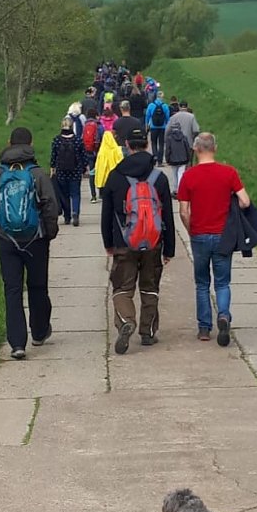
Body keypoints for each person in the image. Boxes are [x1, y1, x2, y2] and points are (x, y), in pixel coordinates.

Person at [0, 127, 60, 360]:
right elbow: (50, 205)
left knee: (12, 290)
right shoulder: (37, 174)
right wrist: (49, 232)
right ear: (30, 144)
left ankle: (17, 344)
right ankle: (39, 332)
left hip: (7, 240)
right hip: (36, 240)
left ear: (9, 143)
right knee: (38, 286)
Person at [101, 128, 175, 353]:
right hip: (153, 242)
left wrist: (108, 243)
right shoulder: (159, 178)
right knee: (150, 287)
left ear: (127, 145)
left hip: (123, 242)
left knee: (122, 287)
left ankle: (126, 321)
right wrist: (169, 249)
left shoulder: (115, 176)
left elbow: (106, 214)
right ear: (147, 145)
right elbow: (167, 216)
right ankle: (147, 332)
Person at [177, 132, 250, 347]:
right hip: (223, 235)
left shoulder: (189, 176)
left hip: (199, 234)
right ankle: (224, 315)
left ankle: (204, 327)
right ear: (215, 149)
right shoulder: (229, 172)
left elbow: (183, 211)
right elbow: (245, 201)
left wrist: (191, 230)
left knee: (202, 283)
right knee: (222, 282)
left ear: (196, 149)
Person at [50, 116, 87, 226]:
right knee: (75, 193)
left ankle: (67, 217)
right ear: (72, 127)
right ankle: (75, 212)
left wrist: (52, 168)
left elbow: (53, 156)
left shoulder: (57, 140)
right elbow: (83, 156)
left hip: (61, 172)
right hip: (75, 171)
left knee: (64, 194)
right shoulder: (78, 140)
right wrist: (84, 168)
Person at [164, 100, 201, 194]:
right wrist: (192, 138)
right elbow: (196, 130)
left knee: (175, 168)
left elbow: (167, 130)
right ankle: (188, 186)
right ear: (187, 106)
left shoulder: (173, 117)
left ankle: (176, 188)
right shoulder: (191, 117)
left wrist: (167, 141)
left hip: (174, 145)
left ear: (179, 107)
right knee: (187, 166)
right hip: (188, 144)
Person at [94, 128, 123, 198]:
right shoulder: (117, 149)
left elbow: (98, 165)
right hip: (114, 176)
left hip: (104, 178)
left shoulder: (101, 151)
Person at [145, 91, 170, 165]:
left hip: (153, 127)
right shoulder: (165, 106)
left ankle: (155, 156)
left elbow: (147, 115)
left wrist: (146, 124)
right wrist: (167, 124)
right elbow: (167, 117)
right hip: (162, 127)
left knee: (154, 142)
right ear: (162, 97)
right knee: (161, 143)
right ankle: (160, 161)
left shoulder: (151, 105)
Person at [82, 108, 101, 203]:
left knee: (92, 173)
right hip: (98, 152)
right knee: (101, 172)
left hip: (89, 152)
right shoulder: (98, 125)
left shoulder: (85, 125)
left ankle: (93, 196)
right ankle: (101, 193)